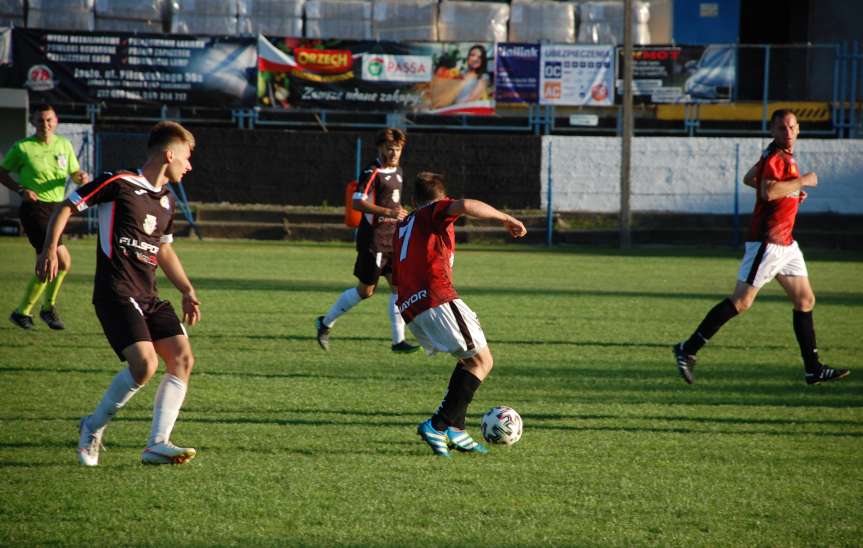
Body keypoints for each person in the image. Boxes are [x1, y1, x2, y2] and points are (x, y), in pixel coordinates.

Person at [36, 121, 202, 466]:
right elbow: (67, 206)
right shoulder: (120, 182)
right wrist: (50, 248)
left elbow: (164, 250)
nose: (189, 165)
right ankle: (92, 427)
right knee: (144, 365)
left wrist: (186, 289)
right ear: (168, 154)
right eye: (186, 157)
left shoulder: (167, 201)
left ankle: (157, 443)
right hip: (116, 291)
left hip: (149, 294)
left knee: (183, 358)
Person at [673, 109, 849, 386]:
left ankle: (813, 369)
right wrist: (802, 182)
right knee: (741, 302)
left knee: (805, 300)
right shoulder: (776, 157)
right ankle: (687, 349)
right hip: (769, 242)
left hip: (786, 243)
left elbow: (750, 179)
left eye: (791, 127)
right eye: (782, 128)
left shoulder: (777, 156)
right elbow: (767, 191)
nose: (787, 133)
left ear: (799, 129)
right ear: (773, 131)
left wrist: (790, 194)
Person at [393, 172, 526, 458]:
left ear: (413, 200)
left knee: (467, 360)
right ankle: (437, 425)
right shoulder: (433, 212)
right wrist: (506, 218)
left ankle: (455, 428)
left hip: (411, 306)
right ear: (438, 200)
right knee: (482, 361)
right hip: (436, 297)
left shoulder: (405, 225)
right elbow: (465, 206)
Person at [315, 128, 420, 354]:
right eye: (389, 149)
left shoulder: (399, 170)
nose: (393, 153)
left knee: (399, 288)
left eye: (398, 149)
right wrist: (389, 212)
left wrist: (399, 213)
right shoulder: (372, 171)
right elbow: (357, 202)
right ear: (380, 148)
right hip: (373, 240)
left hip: (393, 239)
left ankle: (398, 342)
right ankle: (325, 322)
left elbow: (393, 202)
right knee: (366, 291)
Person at [1, 104, 90, 330]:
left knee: (51, 263)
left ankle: (26, 312)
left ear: (56, 121)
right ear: (33, 122)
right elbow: (2, 172)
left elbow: (74, 173)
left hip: (57, 210)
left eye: (49, 120)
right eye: (40, 121)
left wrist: (81, 177)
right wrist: (20, 189)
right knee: (60, 261)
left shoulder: (64, 145)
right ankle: (42, 309)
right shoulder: (23, 147)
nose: (45, 125)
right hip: (34, 209)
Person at [430, 44, 491, 109]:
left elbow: (473, 98)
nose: (475, 59)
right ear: (468, 57)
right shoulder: (462, 72)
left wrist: (452, 107)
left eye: (479, 57)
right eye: (473, 55)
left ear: (483, 61)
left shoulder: (483, 77)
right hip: (452, 110)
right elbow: (451, 92)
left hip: (466, 111)